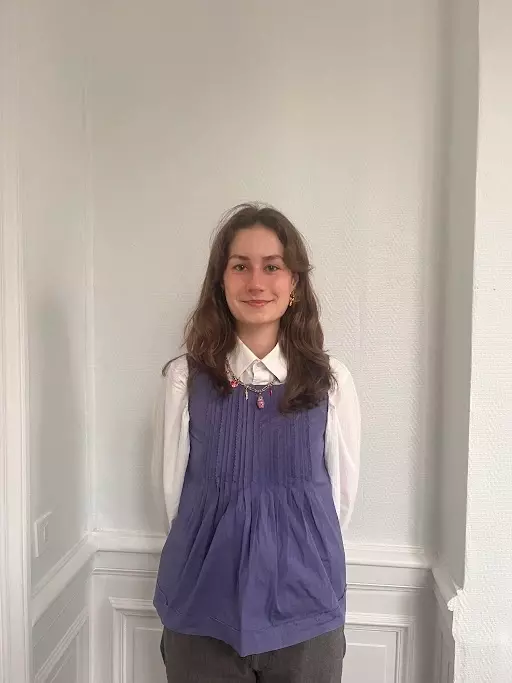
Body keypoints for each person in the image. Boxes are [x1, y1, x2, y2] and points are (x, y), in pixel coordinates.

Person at [152, 203, 361, 682]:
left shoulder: (331, 382)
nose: (256, 282)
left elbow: (339, 504)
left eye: (272, 267)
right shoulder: (184, 379)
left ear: (294, 283)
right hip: (201, 603)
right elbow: (172, 497)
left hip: (306, 609)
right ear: (221, 281)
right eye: (240, 266)